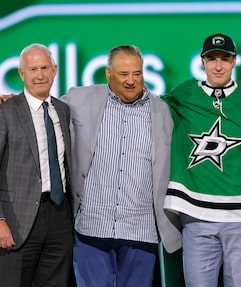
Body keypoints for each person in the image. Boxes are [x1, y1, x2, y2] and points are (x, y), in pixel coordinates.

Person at [60, 45, 181, 287]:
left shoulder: (162, 111)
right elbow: (44, 113)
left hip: (141, 229)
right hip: (92, 227)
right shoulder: (78, 99)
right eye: (123, 74)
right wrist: (10, 101)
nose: (131, 81)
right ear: (108, 74)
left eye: (137, 74)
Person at [162, 33, 241, 287]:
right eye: (211, 59)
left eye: (225, 58)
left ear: (235, 61)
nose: (218, 65)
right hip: (197, 215)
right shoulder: (183, 94)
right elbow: (149, 107)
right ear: (202, 62)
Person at [0, 43, 74, 286]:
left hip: (60, 218)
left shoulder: (63, 110)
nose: (40, 75)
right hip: (16, 222)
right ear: (21, 74)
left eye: (44, 68)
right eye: (33, 69)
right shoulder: (6, 111)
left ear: (54, 71)